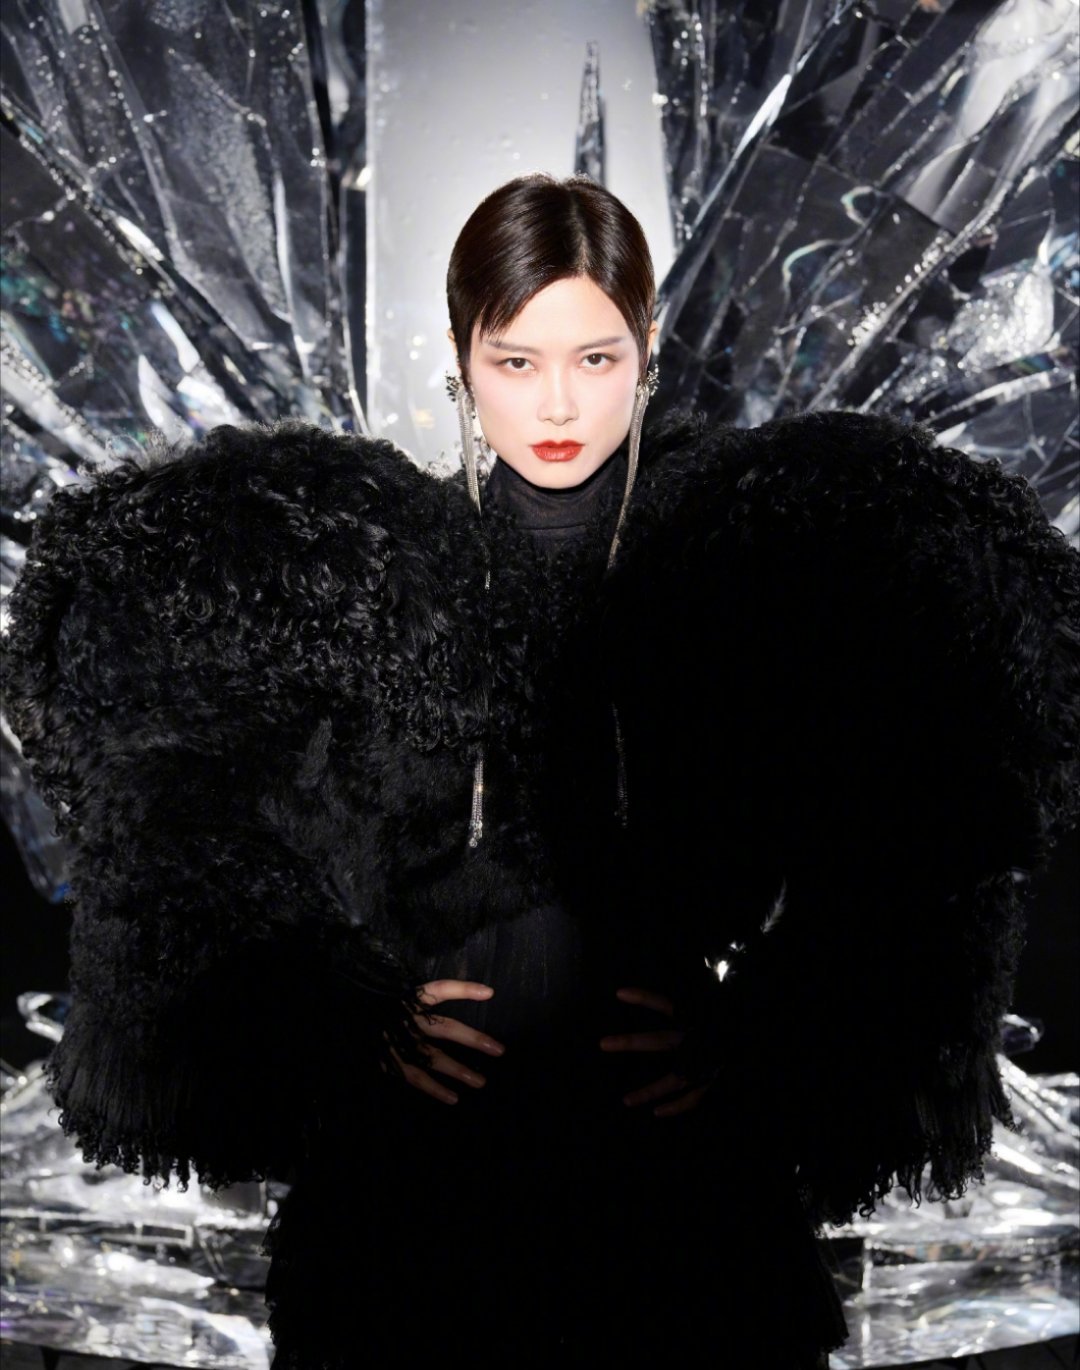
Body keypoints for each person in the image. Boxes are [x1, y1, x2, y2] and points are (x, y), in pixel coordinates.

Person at [5, 173, 1078, 1368]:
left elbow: (938, 826)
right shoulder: (364, 569)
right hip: (412, 1199)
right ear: (463, 357)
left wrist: (776, 1031)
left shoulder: (752, 558)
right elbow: (177, 836)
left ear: (647, 352)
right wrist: (330, 1009)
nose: (557, 402)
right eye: (516, 361)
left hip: (675, 1203)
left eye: (595, 357)